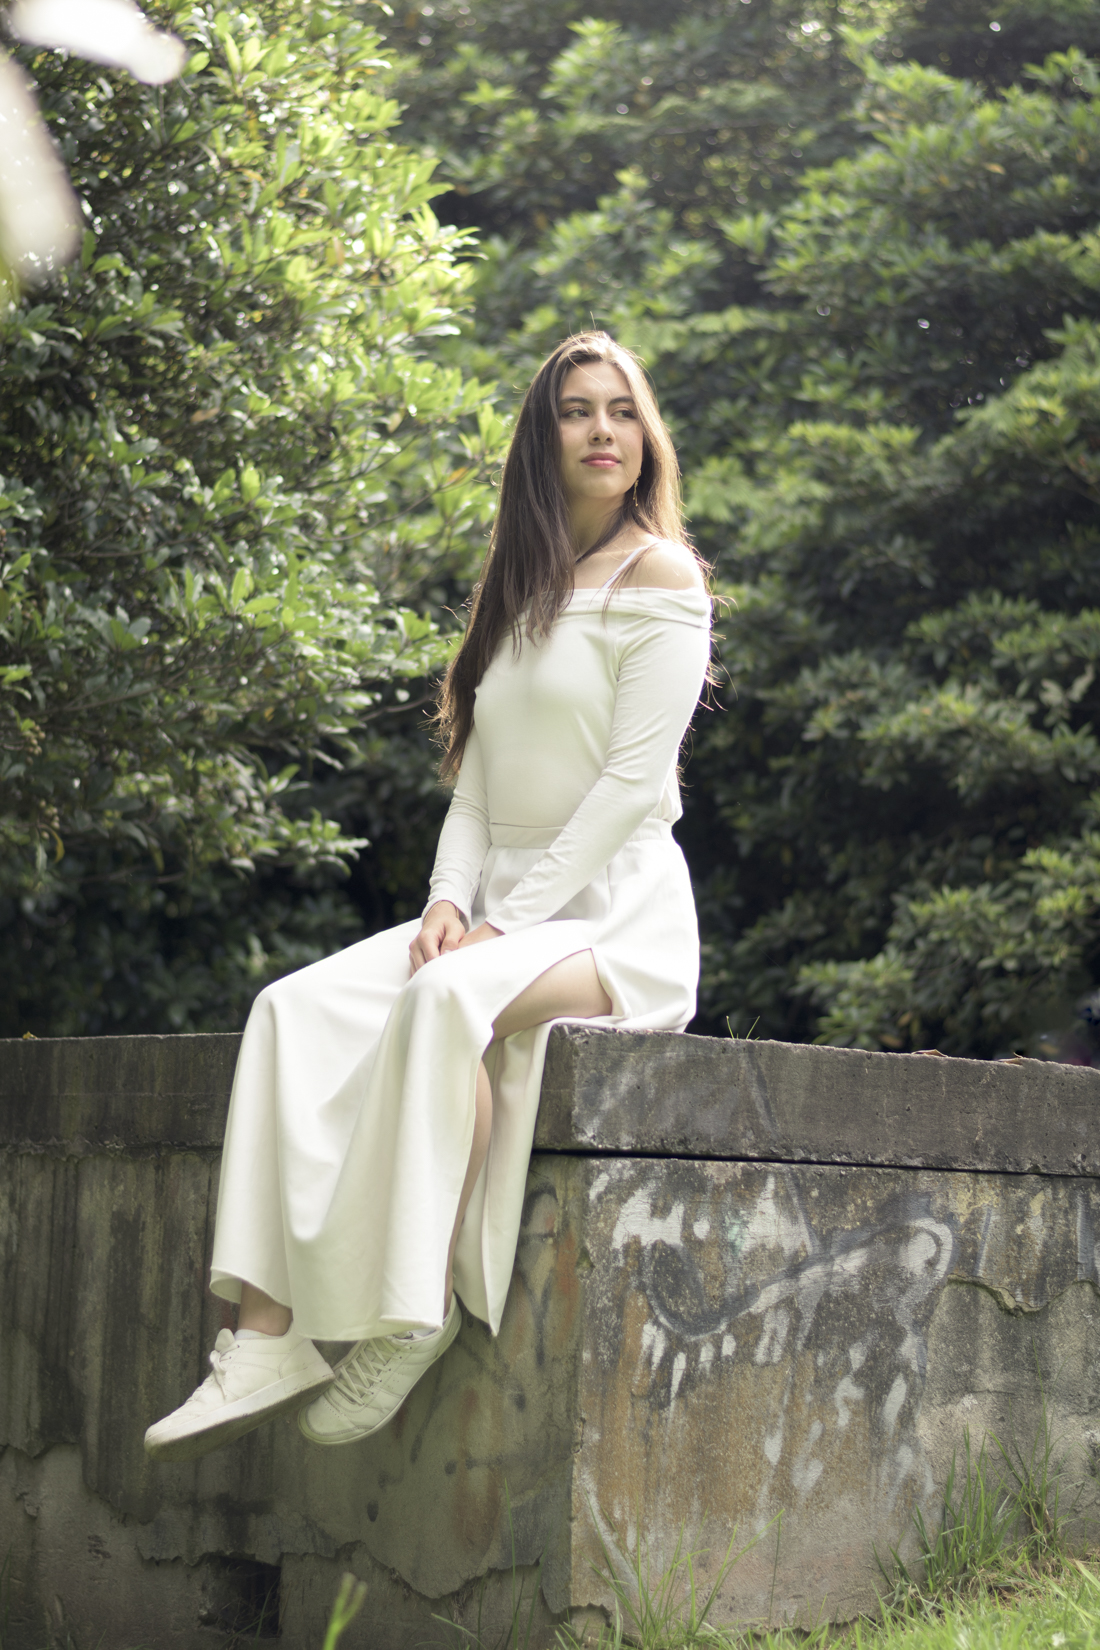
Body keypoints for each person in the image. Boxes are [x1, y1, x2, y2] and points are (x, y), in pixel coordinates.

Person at [144, 331, 712, 1462]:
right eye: (576, 411)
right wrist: (451, 901)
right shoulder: (519, 588)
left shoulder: (661, 578)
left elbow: (625, 788)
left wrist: (502, 924)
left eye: (621, 410)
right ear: (542, 438)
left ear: (646, 436)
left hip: (613, 918)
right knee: (290, 1009)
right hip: (501, 907)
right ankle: (263, 1336)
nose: (602, 431)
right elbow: (479, 788)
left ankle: (412, 1313)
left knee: (446, 1002)